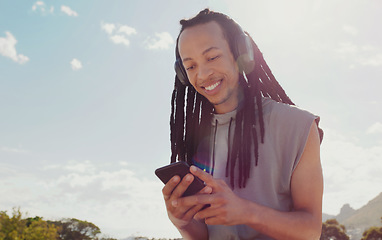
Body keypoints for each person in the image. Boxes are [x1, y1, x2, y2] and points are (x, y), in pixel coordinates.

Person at [162, 8, 324, 240]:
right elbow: (206, 235)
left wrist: (246, 212)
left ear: (241, 53)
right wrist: (183, 223)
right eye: (191, 66)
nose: (203, 73)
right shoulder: (194, 141)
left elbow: (310, 231)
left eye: (212, 57)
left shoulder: (298, 125)